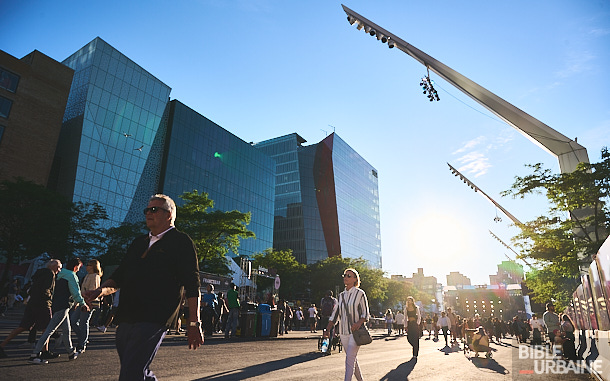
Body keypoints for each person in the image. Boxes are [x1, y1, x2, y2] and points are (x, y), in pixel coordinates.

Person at [84, 194, 203, 380]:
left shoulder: (181, 242)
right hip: (126, 315)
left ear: (169, 215)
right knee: (135, 369)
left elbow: (192, 284)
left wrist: (194, 323)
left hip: (155, 316)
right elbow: (119, 276)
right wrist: (100, 291)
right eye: (147, 210)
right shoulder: (138, 242)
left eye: (154, 209)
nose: (148, 213)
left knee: (131, 372)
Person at [30, 257, 89, 364]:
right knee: (49, 330)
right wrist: (82, 304)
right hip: (64, 305)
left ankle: (71, 352)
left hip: (56, 304)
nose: (79, 270)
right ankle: (35, 354)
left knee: (66, 330)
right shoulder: (72, 276)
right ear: (76, 267)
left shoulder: (59, 274)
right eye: (79, 268)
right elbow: (76, 292)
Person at [0, 259, 61, 359]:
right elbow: (46, 290)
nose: (59, 270)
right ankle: (45, 350)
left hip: (32, 303)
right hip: (43, 304)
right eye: (59, 267)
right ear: (53, 267)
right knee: (47, 328)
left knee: (23, 326)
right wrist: (49, 298)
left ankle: (2, 344)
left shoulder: (38, 274)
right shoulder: (50, 274)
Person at [323, 268, 370, 381]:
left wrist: (358, 323)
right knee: (352, 359)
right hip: (343, 332)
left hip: (355, 332)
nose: (346, 277)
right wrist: (327, 329)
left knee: (349, 359)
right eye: (345, 275)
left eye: (349, 276)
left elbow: (365, 313)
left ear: (355, 279)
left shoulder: (360, 294)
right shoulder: (341, 296)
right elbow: (335, 314)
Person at [71, 259, 102, 353]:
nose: (86, 266)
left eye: (88, 265)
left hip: (89, 302)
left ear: (93, 266)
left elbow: (93, 290)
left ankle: (82, 344)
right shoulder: (87, 276)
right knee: (74, 321)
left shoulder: (95, 276)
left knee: (83, 322)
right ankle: (83, 339)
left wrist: (88, 301)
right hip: (83, 302)